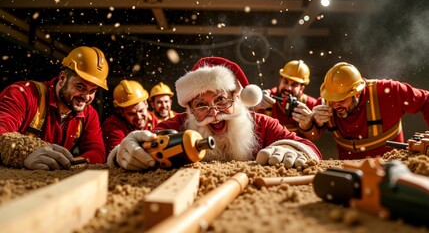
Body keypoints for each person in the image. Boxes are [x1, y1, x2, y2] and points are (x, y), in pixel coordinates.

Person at [107, 57, 322, 171]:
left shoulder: (263, 124)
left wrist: (291, 149)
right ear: (189, 109)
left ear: (238, 98)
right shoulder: (179, 124)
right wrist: (123, 153)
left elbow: (311, 149)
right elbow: (143, 145)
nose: (214, 113)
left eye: (221, 100)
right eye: (201, 105)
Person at [0, 46, 109, 170]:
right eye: (80, 87)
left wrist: (68, 163)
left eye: (93, 91)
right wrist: (25, 152)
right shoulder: (22, 95)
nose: (86, 97)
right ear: (62, 78)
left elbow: (97, 152)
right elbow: (1, 134)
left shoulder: (89, 114)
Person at [300, 62, 429, 160]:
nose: (334, 105)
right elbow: (314, 136)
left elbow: (426, 101)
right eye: (331, 99)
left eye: (341, 100)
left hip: (392, 170)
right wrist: (309, 125)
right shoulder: (325, 104)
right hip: (350, 176)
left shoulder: (388, 92)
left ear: (357, 93)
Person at [254, 60, 318, 134]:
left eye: (294, 85)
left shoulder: (310, 105)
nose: (288, 88)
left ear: (301, 89)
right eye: (285, 82)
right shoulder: (265, 99)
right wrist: (255, 106)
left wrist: (308, 126)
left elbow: (316, 135)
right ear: (280, 81)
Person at [102, 80, 158, 154]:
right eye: (132, 114)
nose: (138, 117)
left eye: (141, 110)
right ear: (121, 112)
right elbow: (120, 154)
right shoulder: (112, 126)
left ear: (146, 103)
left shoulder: (152, 119)